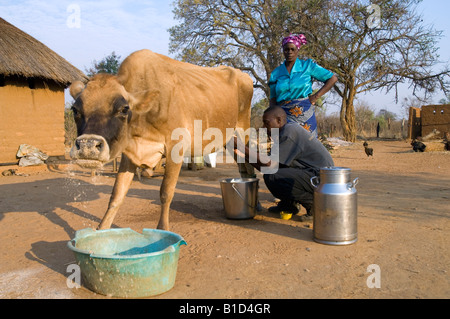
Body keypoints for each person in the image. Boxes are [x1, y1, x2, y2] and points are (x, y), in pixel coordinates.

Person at [233, 105, 335, 221]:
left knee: (273, 177)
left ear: (279, 120)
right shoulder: (282, 133)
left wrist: (241, 147)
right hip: (314, 175)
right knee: (274, 174)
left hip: (321, 179)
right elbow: (268, 166)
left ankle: (315, 207)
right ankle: (289, 205)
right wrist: (244, 155)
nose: (264, 127)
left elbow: (268, 166)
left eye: (266, 123)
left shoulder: (289, 133)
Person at [269, 34, 338, 138]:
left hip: (305, 114)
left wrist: (315, 96)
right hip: (282, 115)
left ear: (298, 50)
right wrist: (272, 119)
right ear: (283, 50)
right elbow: (273, 99)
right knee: (285, 147)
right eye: (286, 49)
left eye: (292, 49)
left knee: (308, 146)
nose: (289, 52)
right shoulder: (276, 73)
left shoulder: (308, 66)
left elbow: (332, 78)